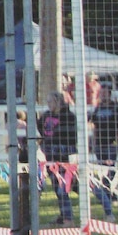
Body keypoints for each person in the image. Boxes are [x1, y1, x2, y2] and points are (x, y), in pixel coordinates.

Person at [40, 91, 78, 226]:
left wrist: (55, 138)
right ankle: (64, 215)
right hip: (50, 156)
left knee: (65, 186)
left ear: (58, 102)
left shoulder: (69, 116)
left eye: (51, 101)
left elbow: (71, 136)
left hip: (64, 157)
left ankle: (68, 218)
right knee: (58, 187)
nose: (48, 104)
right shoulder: (46, 115)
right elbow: (41, 130)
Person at [89, 86, 118, 222]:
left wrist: (117, 140)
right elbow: (94, 125)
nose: (103, 95)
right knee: (102, 169)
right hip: (100, 144)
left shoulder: (116, 107)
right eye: (101, 93)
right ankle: (106, 193)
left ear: (109, 94)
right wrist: (94, 142)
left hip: (111, 143)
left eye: (105, 93)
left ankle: (110, 192)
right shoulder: (98, 108)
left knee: (110, 169)